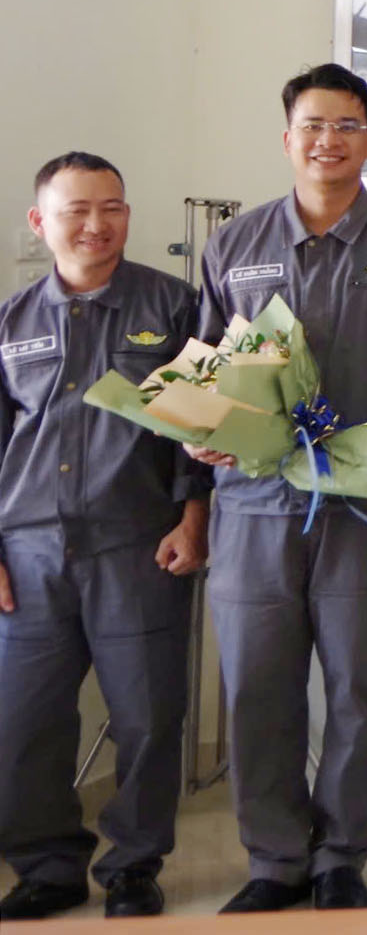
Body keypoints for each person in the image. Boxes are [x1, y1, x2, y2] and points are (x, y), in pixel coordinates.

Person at [189, 64, 367, 913]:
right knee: (257, 688)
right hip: (255, 506)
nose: (327, 140)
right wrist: (204, 428)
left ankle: (340, 854)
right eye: (312, 124)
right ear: (287, 137)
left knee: (358, 688)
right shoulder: (235, 243)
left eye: (345, 125)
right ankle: (274, 859)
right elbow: (203, 364)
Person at [0, 155, 202, 920]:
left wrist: (193, 517)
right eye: (77, 209)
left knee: (148, 717)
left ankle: (132, 867)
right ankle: (46, 867)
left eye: (112, 207)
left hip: (137, 544)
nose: (97, 223)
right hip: (30, 550)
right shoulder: (12, 321)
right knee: (23, 722)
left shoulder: (174, 304)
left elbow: (201, 428)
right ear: (39, 221)